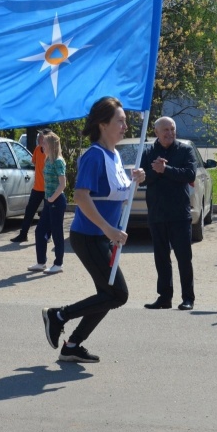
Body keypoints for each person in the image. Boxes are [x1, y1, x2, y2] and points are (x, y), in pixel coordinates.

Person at [41, 97, 145, 363]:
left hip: (104, 238)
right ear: (102, 124)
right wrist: (108, 228)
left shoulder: (115, 155)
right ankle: (58, 315)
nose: (125, 126)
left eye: (125, 121)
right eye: (119, 121)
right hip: (89, 237)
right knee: (118, 294)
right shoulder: (94, 156)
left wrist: (135, 179)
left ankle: (72, 345)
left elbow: (114, 193)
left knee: (107, 295)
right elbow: (81, 196)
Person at [140, 116, 197, 311]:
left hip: (179, 214)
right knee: (161, 258)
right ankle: (164, 297)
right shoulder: (148, 151)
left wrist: (166, 169)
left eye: (172, 129)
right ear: (156, 132)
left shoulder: (185, 150)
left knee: (184, 257)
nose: (170, 133)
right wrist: (156, 171)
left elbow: (190, 174)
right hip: (157, 213)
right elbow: (143, 179)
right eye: (165, 130)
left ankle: (188, 298)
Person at [27, 132, 67, 275]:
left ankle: (58, 263)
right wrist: (48, 199)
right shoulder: (47, 159)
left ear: (51, 144)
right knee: (40, 231)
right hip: (49, 200)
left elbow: (63, 184)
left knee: (57, 232)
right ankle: (41, 262)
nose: (41, 144)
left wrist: (52, 198)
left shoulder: (58, 161)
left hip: (56, 200)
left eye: (44, 142)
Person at [11, 131, 46, 243]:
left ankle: (46, 235)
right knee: (29, 211)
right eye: (39, 137)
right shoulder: (36, 150)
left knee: (47, 214)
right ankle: (23, 235)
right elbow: (35, 163)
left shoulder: (51, 152)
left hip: (49, 189)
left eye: (41, 137)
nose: (39, 139)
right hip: (37, 188)